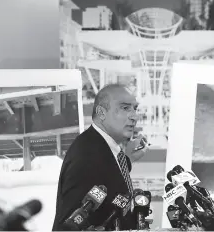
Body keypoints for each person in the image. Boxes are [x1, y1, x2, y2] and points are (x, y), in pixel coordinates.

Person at [52, 84, 150, 231]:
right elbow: (70, 224)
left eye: (134, 108)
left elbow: (108, 181)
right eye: (125, 108)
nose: (134, 116)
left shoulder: (101, 146)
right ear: (101, 113)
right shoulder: (87, 155)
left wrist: (126, 160)